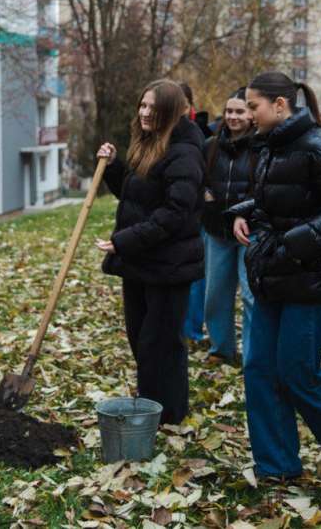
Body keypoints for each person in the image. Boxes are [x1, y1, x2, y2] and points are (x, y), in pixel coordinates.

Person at [229, 72, 321, 480]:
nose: (248, 114)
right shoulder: (270, 145)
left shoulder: (320, 144)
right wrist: (244, 212)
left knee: (296, 371)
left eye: (253, 106)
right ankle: (276, 467)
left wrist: (295, 242)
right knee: (259, 369)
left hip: (311, 280)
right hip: (271, 273)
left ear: (279, 105)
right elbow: (274, 197)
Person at [96, 79, 205, 425]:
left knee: (161, 344)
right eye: (142, 106)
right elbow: (134, 197)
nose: (144, 113)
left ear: (171, 112)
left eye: (152, 108)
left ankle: (168, 414)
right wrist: (114, 167)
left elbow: (175, 213)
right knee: (140, 339)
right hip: (141, 262)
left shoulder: (184, 153)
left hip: (169, 265)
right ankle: (153, 406)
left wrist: (126, 240)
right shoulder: (150, 145)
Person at [199, 89, 255, 365]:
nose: (233, 116)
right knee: (215, 295)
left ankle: (254, 354)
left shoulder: (262, 146)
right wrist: (205, 194)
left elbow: (264, 186)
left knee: (250, 295)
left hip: (249, 232)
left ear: (251, 114)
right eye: (230, 111)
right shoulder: (210, 146)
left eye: (240, 111)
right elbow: (199, 178)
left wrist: (243, 213)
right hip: (216, 230)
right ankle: (222, 349)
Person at [178, 83, 208, 346]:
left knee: (195, 278)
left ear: (190, 107)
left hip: (194, 215)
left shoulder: (198, 136)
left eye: (182, 104)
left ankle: (192, 330)